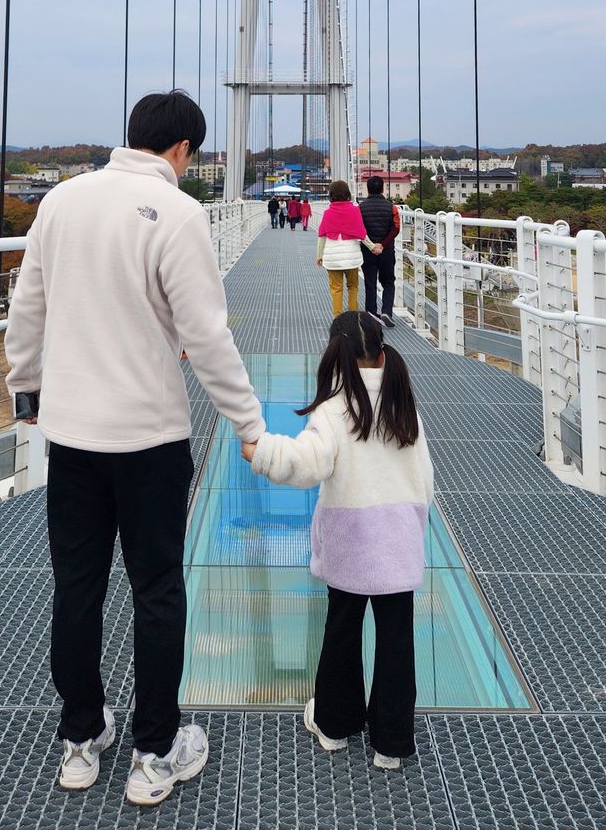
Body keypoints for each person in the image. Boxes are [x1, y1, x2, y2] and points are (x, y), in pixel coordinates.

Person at [5, 90, 265, 806]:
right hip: (149, 439)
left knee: (77, 587)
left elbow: (29, 304)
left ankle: (81, 738)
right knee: (156, 591)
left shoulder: (61, 200)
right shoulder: (177, 214)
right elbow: (206, 336)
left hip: (72, 435)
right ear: (183, 150)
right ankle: (155, 753)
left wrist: (25, 388)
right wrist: (247, 423)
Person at [242, 312, 433, 770]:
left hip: (351, 543)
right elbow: (424, 476)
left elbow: (306, 462)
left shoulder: (333, 409)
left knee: (342, 631)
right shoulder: (403, 402)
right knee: (396, 641)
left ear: (335, 355)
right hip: (399, 541)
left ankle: (334, 725)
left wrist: (261, 451)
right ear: (382, 354)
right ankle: (390, 744)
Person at [316, 180, 379, 315]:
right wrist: (372, 247)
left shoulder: (327, 213)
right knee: (353, 287)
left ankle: (338, 318)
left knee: (336, 289)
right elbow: (362, 234)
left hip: (333, 258)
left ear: (331, 195)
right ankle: (353, 317)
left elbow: (322, 236)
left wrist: (319, 256)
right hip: (351, 257)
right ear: (347, 193)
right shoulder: (355, 211)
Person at [359, 175, 400, 327]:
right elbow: (396, 229)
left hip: (368, 251)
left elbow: (359, 229)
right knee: (388, 282)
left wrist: (372, 245)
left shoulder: (360, 208)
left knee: (370, 282)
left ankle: (371, 314)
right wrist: (382, 245)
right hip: (387, 251)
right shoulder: (392, 207)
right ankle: (386, 312)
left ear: (367, 189)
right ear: (383, 189)